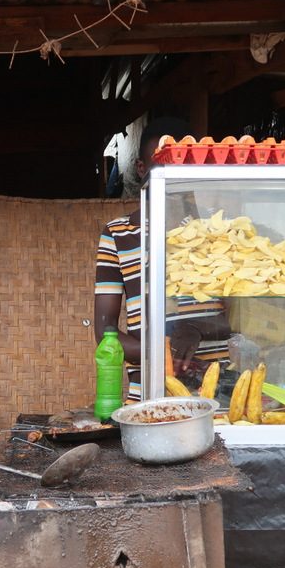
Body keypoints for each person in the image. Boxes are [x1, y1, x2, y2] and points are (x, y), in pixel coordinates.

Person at [94, 117, 231, 402]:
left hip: (218, 395)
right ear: (141, 169)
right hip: (149, 397)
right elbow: (106, 334)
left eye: (185, 164)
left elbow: (243, 319)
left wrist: (194, 330)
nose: (174, 176)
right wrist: (163, 351)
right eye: (164, 164)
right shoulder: (118, 235)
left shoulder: (218, 230)